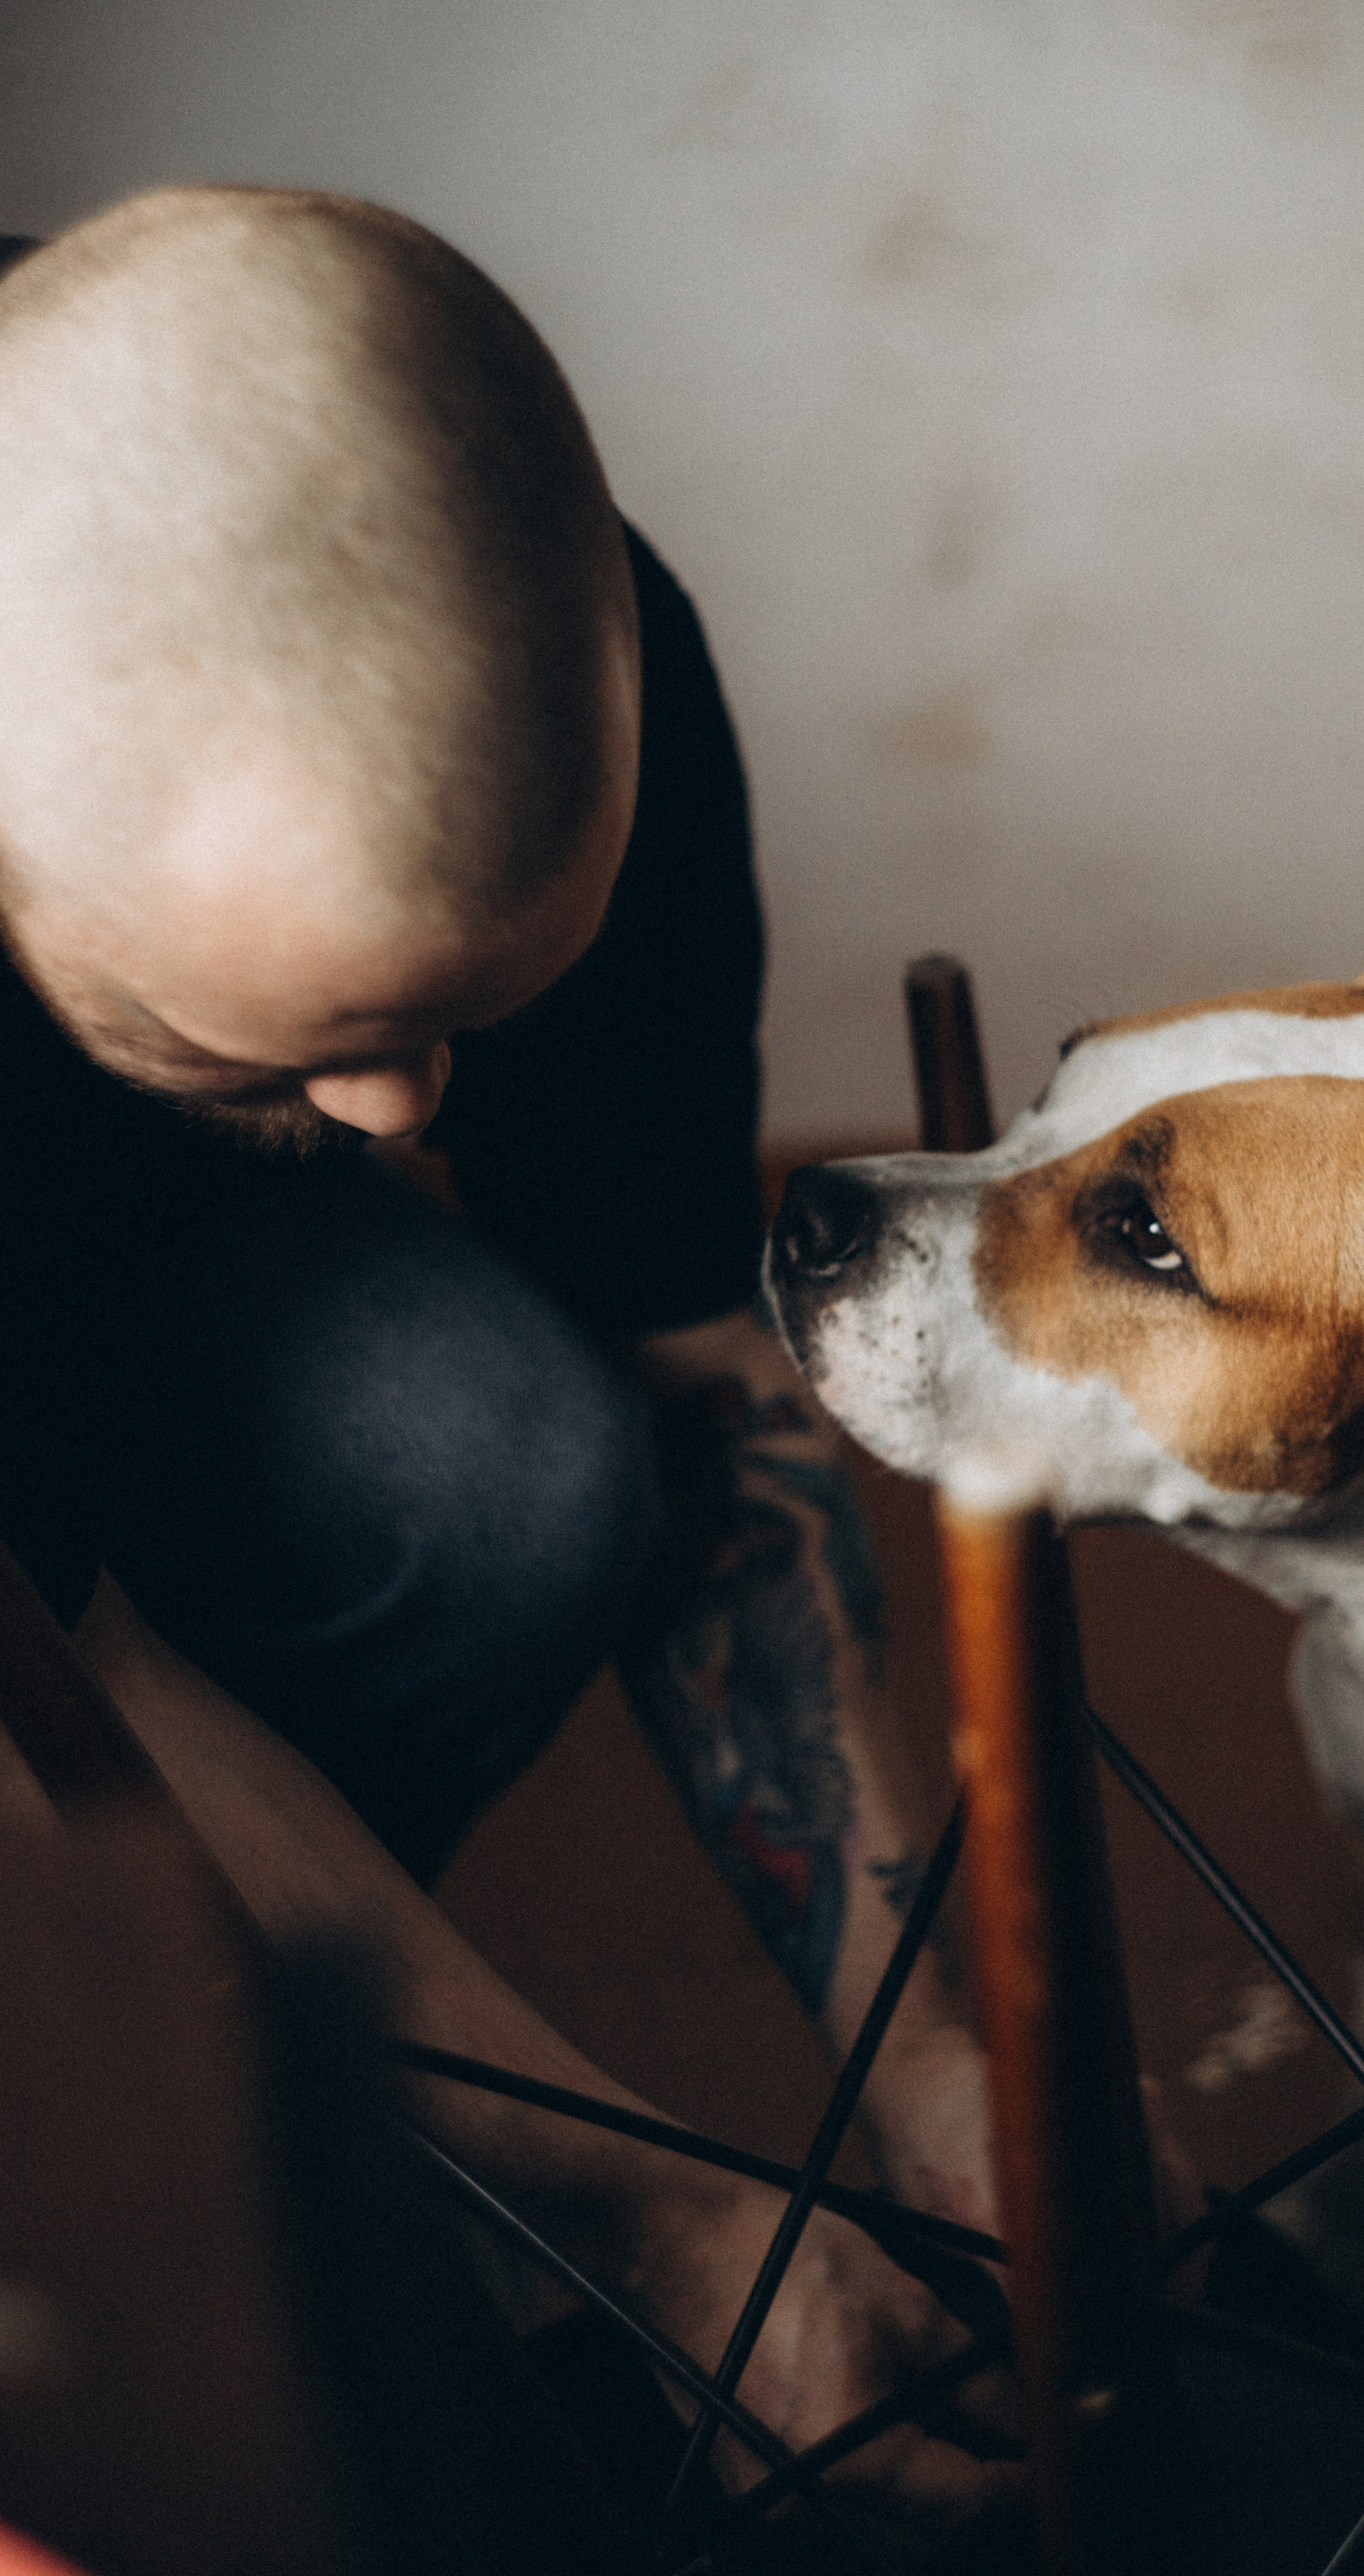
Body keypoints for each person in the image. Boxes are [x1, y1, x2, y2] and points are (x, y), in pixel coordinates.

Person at [0, 186, 1016, 2526]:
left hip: (107, 1281)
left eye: (475, 1012)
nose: (404, 1119)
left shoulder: (570, 665)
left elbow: (689, 1365)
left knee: (512, 1466)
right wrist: (659, 2210)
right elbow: (71, 1687)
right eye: (270, 1041)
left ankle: (338, 2080)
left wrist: (931, 2046)